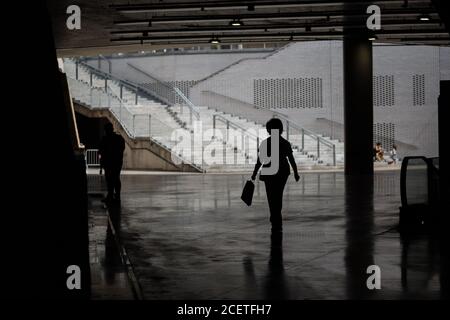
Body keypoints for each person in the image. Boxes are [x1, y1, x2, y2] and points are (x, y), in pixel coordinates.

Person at [251, 118, 300, 233]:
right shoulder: (285, 143)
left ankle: (274, 214)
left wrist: (254, 173)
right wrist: (296, 173)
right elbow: (291, 159)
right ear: (281, 129)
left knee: (271, 195)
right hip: (282, 171)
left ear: (269, 130)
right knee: (278, 194)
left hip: (269, 171)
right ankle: (277, 214)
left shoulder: (265, 143)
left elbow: (260, 160)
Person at [99, 123, 125, 203]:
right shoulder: (119, 138)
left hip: (108, 162)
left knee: (109, 179)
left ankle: (110, 195)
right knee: (116, 178)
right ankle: (117, 196)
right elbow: (121, 149)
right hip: (117, 162)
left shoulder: (105, 139)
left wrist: (102, 164)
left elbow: (101, 151)